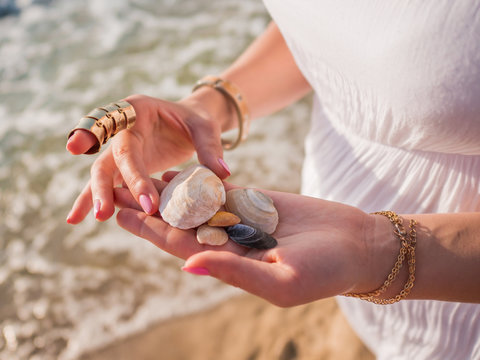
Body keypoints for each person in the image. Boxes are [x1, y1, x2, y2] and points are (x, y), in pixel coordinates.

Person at [66, 1, 480, 359]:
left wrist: (376, 250)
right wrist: (206, 109)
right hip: (366, 291)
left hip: (459, 294)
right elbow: (340, 27)